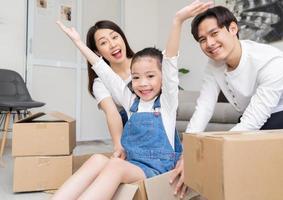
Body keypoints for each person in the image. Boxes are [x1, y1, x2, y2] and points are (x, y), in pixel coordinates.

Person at [52, 1, 211, 199]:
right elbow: (104, 71)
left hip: (157, 169)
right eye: (136, 78)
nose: (143, 83)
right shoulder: (130, 102)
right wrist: (78, 43)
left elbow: (170, 60)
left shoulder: (168, 102)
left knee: (115, 167)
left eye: (151, 76)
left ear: (163, 79)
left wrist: (177, 21)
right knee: (96, 159)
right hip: (132, 163)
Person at [171, 5, 283, 197]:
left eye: (214, 33)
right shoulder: (214, 66)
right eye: (202, 39)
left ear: (233, 29)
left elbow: (253, 120)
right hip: (252, 118)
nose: (210, 43)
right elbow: (203, 109)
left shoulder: (270, 61)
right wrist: (187, 153)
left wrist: (212, 155)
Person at [86, 20, 134, 160]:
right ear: (97, 52)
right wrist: (118, 146)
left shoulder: (144, 62)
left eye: (114, 37)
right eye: (103, 43)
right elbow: (112, 113)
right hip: (130, 130)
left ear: (122, 38)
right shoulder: (100, 83)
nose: (113, 45)